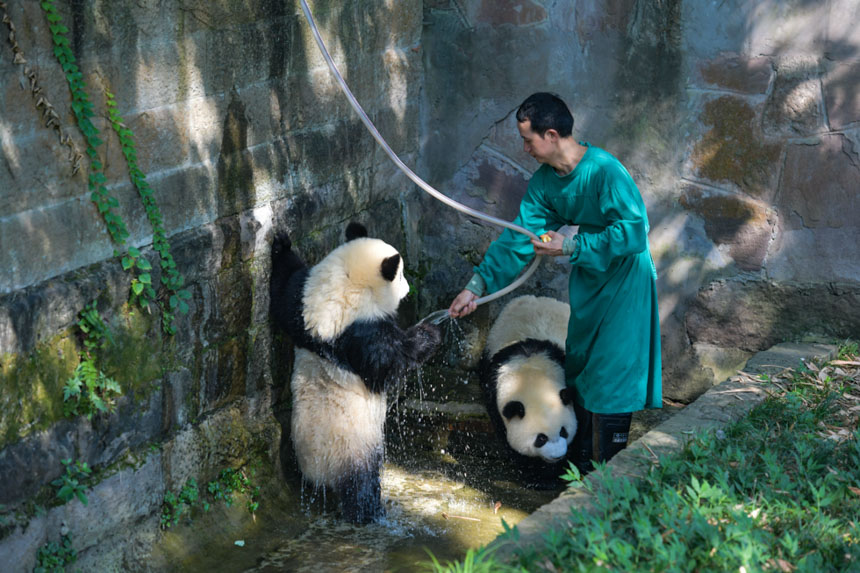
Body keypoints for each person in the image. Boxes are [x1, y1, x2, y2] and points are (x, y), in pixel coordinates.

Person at [448, 92, 661, 474]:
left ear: (550, 135)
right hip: (590, 281)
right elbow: (517, 239)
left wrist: (572, 245)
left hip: (625, 283)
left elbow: (634, 234)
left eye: (528, 139)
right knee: (582, 370)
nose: (524, 147)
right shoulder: (546, 183)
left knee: (611, 376)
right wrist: (476, 288)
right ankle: (582, 472)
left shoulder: (604, 171)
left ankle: (607, 477)